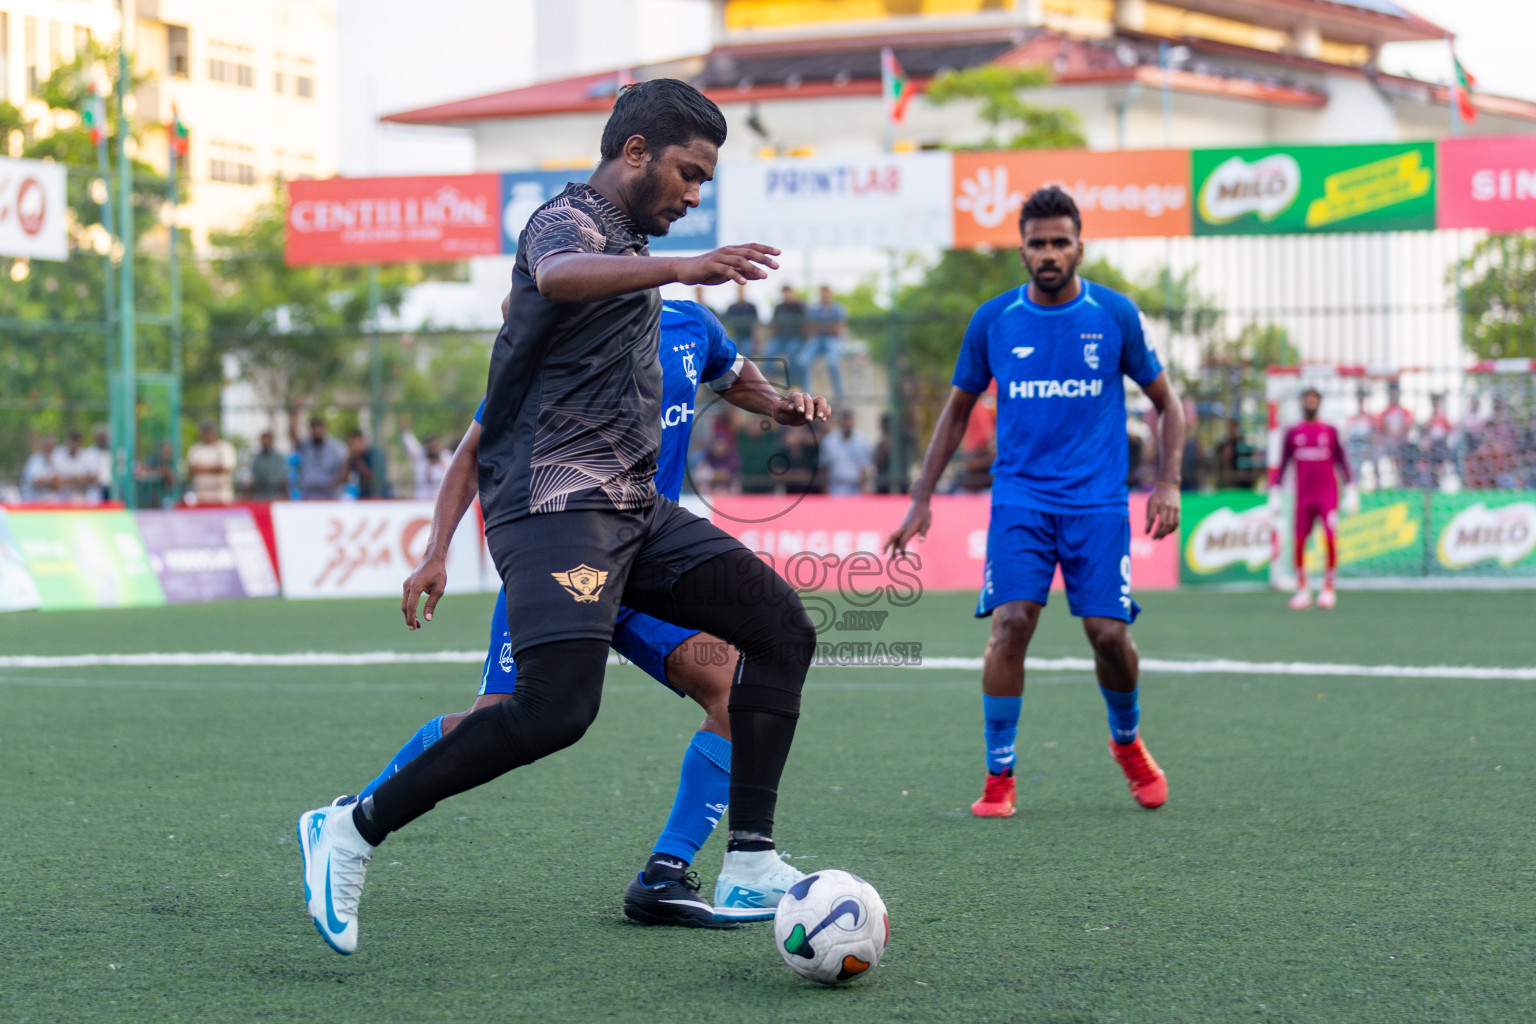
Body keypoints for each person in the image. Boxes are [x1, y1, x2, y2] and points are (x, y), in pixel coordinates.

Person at [298, 79, 823, 955]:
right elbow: (558, 274)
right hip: (552, 504)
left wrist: (782, 406)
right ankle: (351, 828)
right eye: (688, 174)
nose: (695, 197)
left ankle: (749, 860)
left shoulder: (645, 266)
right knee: (552, 711)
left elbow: (731, 380)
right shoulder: (564, 220)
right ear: (634, 152)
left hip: (631, 506)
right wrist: (685, 265)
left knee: (780, 629)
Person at [338, 296, 827, 935]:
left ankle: (664, 875)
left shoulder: (693, 325)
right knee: (501, 720)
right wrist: (437, 552)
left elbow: (738, 381)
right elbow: (471, 453)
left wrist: (783, 404)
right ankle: (359, 812)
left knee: (731, 688)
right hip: (561, 554)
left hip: (653, 561)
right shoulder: (561, 336)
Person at [885, 186, 1185, 820]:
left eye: (1059, 242)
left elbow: (1170, 405)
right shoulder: (994, 320)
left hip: (1098, 503)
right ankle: (999, 777)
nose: (1048, 253)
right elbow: (956, 411)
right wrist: (920, 498)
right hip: (1020, 499)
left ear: (1079, 246)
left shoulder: (1115, 314)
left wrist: (1168, 482)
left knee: (1108, 634)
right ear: (1021, 250)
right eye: (1037, 243)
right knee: (1012, 623)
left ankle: (1127, 743)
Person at [1276, 387, 1355, 611]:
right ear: (1301, 403)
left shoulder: (1329, 431)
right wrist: (1274, 491)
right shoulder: (1293, 433)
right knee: (1300, 541)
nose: (1310, 402)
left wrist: (1351, 487)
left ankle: (1328, 587)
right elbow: (1282, 465)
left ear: (1319, 403)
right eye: (1306, 399)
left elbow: (1342, 461)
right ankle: (1302, 589)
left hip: (1327, 495)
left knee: (1330, 538)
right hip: (1303, 496)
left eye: (1314, 399)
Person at [800, 285, 847, 400]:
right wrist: (827, 326)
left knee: (832, 362)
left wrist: (822, 326)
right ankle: (807, 394)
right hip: (817, 339)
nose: (824, 296)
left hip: (833, 340)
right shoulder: (815, 309)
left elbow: (838, 330)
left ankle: (839, 394)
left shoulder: (838, 309)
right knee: (802, 360)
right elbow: (811, 327)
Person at [291, 415, 347, 500]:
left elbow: (344, 466)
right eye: (314, 430)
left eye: (319, 429)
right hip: (309, 491)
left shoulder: (335, 447)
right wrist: (296, 412)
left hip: (329, 492)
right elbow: (293, 435)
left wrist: (337, 482)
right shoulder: (305, 445)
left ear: (324, 429)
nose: (317, 432)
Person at [819, 408, 873, 495]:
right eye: (845, 418)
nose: (847, 422)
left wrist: (864, 488)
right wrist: (824, 489)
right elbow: (824, 468)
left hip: (855, 488)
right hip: (835, 487)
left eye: (850, 419)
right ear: (840, 421)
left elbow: (865, 468)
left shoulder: (862, 441)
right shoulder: (829, 441)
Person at [764, 285, 807, 389]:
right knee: (769, 350)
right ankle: (769, 378)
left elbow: (806, 325)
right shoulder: (779, 307)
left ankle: (791, 382)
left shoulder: (800, 306)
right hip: (780, 337)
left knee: (791, 353)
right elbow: (774, 324)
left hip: (795, 337)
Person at [186, 420, 237, 505]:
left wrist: (201, 469)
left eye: (209, 431)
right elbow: (192, 469)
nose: (207, 434)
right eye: (204, 432)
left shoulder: (224, 447)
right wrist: (214, 468)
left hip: (221, 495)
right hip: (201, 495)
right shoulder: (195, 449)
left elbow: (224, 468)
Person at [400, 418, 453, 499]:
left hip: (443, 498)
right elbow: (411, 446)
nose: (433, 449)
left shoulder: (446, 456)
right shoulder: (421, 457)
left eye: (434, 446)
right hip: (423, 499)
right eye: (430, 447)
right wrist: (405, 430)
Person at [51, 430, 100, 504]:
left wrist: (74, 480)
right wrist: (76, 480)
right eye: (72, 442)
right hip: (62, 498)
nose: (74, 445)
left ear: (81, 443)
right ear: (66, 442)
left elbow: (94, 479)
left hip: (84, 497)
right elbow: (55, 482)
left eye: (76, 442)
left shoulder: (88, 455)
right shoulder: (58, 455)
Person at [721, 283, 760, 357]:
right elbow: (726, 325)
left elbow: (755, 326)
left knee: (746, 351)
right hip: (735, 336)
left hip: (748, 337)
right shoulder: (731, 307)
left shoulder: (751, 307)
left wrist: (756, 342)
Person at [136, 440, 178, 509]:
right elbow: (143, 470)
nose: (168, 453)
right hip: (148, 497)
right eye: (165, 451)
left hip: (164, 498)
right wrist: (162, 471)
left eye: (169, 451)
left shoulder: (171, 463)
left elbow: (172, 480)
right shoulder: (153, 460)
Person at [248, 431, 289, 501]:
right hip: (261, 494)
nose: (265, 442)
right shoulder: (257, 458)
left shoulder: (278, 457)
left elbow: (284, 478)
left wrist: (285, 495)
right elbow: (253, 479)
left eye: (267, 439)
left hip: (276, 494)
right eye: (263, 439)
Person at [20, 435, 58, 503]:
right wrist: (51, 482)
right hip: (33, 500)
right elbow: (37, 482)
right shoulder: (34, 460)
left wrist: (48, 481)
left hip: (51, 501)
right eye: (47, 445)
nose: (49, 447)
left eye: (52, 445)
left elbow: (59, 484)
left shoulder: (56, 460)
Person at [344, 430, 377, 499]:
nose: (353, 447)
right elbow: (345, 479)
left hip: (375, 495)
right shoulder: (353, 457)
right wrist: (348, 460)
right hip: (361, 495)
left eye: (355, 444)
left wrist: (358, 459)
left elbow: (371, 478)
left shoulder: (372, 455)